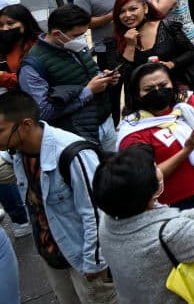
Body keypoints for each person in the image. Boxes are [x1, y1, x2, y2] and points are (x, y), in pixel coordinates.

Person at [0, 90, 119, 303]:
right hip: (53, 256)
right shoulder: (17, 152)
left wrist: (94, 263)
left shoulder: (72, 154)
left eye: (0, 130)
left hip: (84, 261)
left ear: (26, 125)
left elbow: (97, 214)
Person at [116, 62, 194, 210]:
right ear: (137, 94)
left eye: (163, 84)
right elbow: (147, 177)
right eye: (149, 89)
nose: (158, 91)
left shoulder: (185, 103)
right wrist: (187, 149)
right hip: (178, 207)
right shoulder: (133, 132)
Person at [19, 4, 118, 150]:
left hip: (105, 121)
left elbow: (89, 71)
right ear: (57, 34)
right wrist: (89, 91)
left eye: (84, 33)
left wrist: (104, 77)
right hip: (76, 133)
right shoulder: (33, 66)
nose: (82, 39)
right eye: (77, 35)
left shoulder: (73, 46)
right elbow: (42, 111)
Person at [0, 3, 38, 238]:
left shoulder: (33, 47)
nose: (5, 29)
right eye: (1, 25)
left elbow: (27, 81)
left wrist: (3, 78)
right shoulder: (3, 46)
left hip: (23, 113)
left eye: (11, 24)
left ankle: (25, 214)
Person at [113, 0, 194, 91]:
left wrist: (171, 64)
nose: (127, 15)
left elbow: (191, 52)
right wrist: (130, 46)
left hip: (177, 91)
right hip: (144, 100)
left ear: (145, 8)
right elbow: (121, 77)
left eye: (133, 9)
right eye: (122, 11)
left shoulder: (167, 27)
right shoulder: (117, 40)